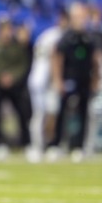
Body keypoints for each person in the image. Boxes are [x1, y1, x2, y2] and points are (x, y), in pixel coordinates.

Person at [48, 3, 99, 162]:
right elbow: (57, 58)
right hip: (68, 79)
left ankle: (78, 146)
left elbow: (96, 60)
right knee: (63, 112)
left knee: (83, 113)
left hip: (84, 79)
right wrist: (57, 80)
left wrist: (96, 79)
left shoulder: (89, 37)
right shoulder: (66, 37)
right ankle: (55, 145)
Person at [0, 17, 32, 159]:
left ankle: (27, 144)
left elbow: (23, 64)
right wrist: (1, 76)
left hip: (15, 86)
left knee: (22, 114)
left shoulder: (18, 46)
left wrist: (12, 77)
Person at [26, 10, 67, 162]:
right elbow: (53, 57)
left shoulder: (48, 34)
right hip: (43, 79)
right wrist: (57, 79)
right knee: (41, 114)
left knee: (50, 113)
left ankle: (46, 145)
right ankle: (37, 146)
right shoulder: (56, 36)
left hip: (44, 78)